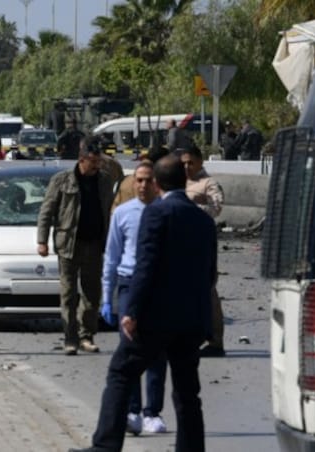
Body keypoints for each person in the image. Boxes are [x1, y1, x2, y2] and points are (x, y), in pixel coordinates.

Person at [71, 155, 216, 452]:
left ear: (158, 184)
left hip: (155, 317)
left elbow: (145, 265)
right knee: (188, 391)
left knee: (121, 372)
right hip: (191, 320)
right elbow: (210, 274)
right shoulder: (203, 219)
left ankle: (105, 445)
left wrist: (131, 311)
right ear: (185, 181)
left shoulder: (156, 213)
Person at [100, 161, 168, 436]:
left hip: (158, 286)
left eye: (147, 180)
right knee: (129, 348)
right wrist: (107, 296)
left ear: (156, 183)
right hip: (128, 283)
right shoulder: (123, 214)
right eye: (138, 180)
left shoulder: (165, 212)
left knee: (157, 352)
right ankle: (133, 410)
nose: (142, 185)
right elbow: (112, 255)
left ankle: (153, 411)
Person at [37, 135, 115, 355]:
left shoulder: (105, 180)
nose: (97, 165)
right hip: (69, 245)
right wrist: (42, 241)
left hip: (95, 244)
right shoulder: (62, 180)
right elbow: (46, 211)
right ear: (82, 160)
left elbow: (109, 210)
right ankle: (70, 338)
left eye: (99, 161)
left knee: (92, 294)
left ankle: (86, 336)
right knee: (69, 294)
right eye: (93, 161)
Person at [181, 146, 226, 358]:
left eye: (191, 163)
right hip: (181, 242)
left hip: (202, 243)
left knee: (208, 291)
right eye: (184, 163)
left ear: (200, 162)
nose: (187, 167)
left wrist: (189, 208)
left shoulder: (208, 183)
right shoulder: (179, 183)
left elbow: (216, 207)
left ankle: (216, 340)